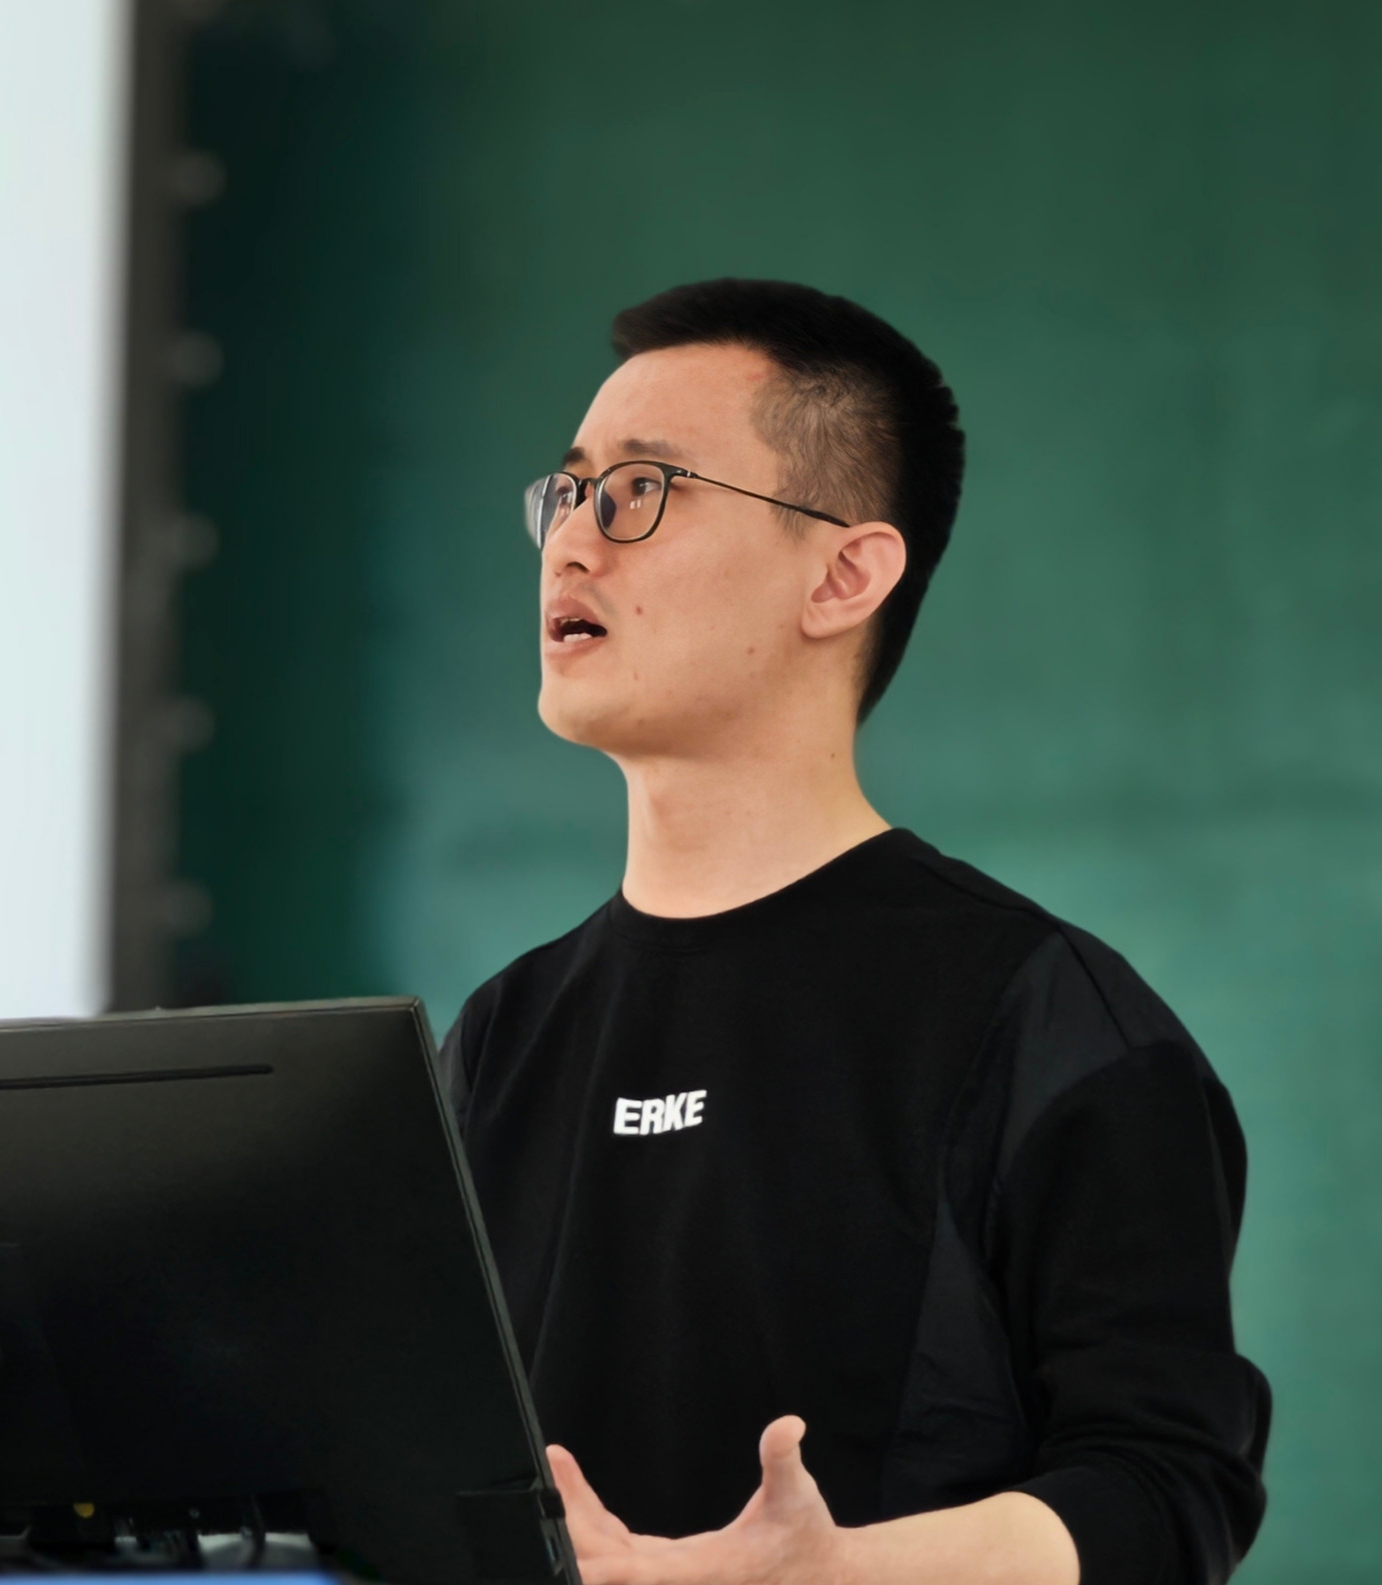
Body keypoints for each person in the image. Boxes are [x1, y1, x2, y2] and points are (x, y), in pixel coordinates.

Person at [435, 279, 1269, 1585]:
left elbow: (1167, 1496)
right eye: (569, 490)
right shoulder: (500, 1033)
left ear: (841, 574)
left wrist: (833, 1573)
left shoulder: (1046, 1017)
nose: (572, 542)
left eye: (641, 489)